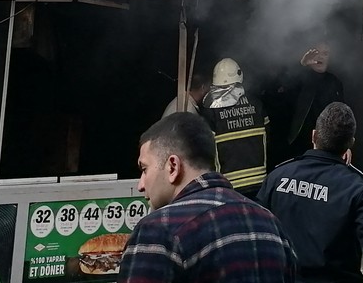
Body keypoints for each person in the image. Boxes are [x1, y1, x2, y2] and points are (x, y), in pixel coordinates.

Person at [119, 112, 296, 283]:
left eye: (144, 169)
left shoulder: (157, 230)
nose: (140, 185)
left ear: (173, 167)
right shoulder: (272, 226)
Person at [258, 102, 363, 283]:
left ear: (313, 136)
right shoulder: (358, 188)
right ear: (350, 144)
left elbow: (256, 230)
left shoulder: (277, 177)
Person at [200, 57, 271, 196]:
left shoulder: (211, 111)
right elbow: (267, 138)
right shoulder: (256, 103)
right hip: (259, 181)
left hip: (228, 184)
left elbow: (206, 150)